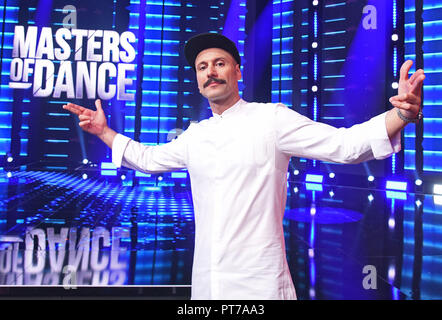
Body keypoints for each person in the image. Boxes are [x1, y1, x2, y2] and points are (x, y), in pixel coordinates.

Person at [63, 33, 425, 300]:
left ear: (238, 72)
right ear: (198, 80)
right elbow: (147, 159)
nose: (210, 72)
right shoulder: (195, 136)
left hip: (261, 284)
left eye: (219, 63)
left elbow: (345, 146)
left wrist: (401, 114)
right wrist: (104, 131)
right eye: (202, 67)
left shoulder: (272, 119)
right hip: (208, 285)